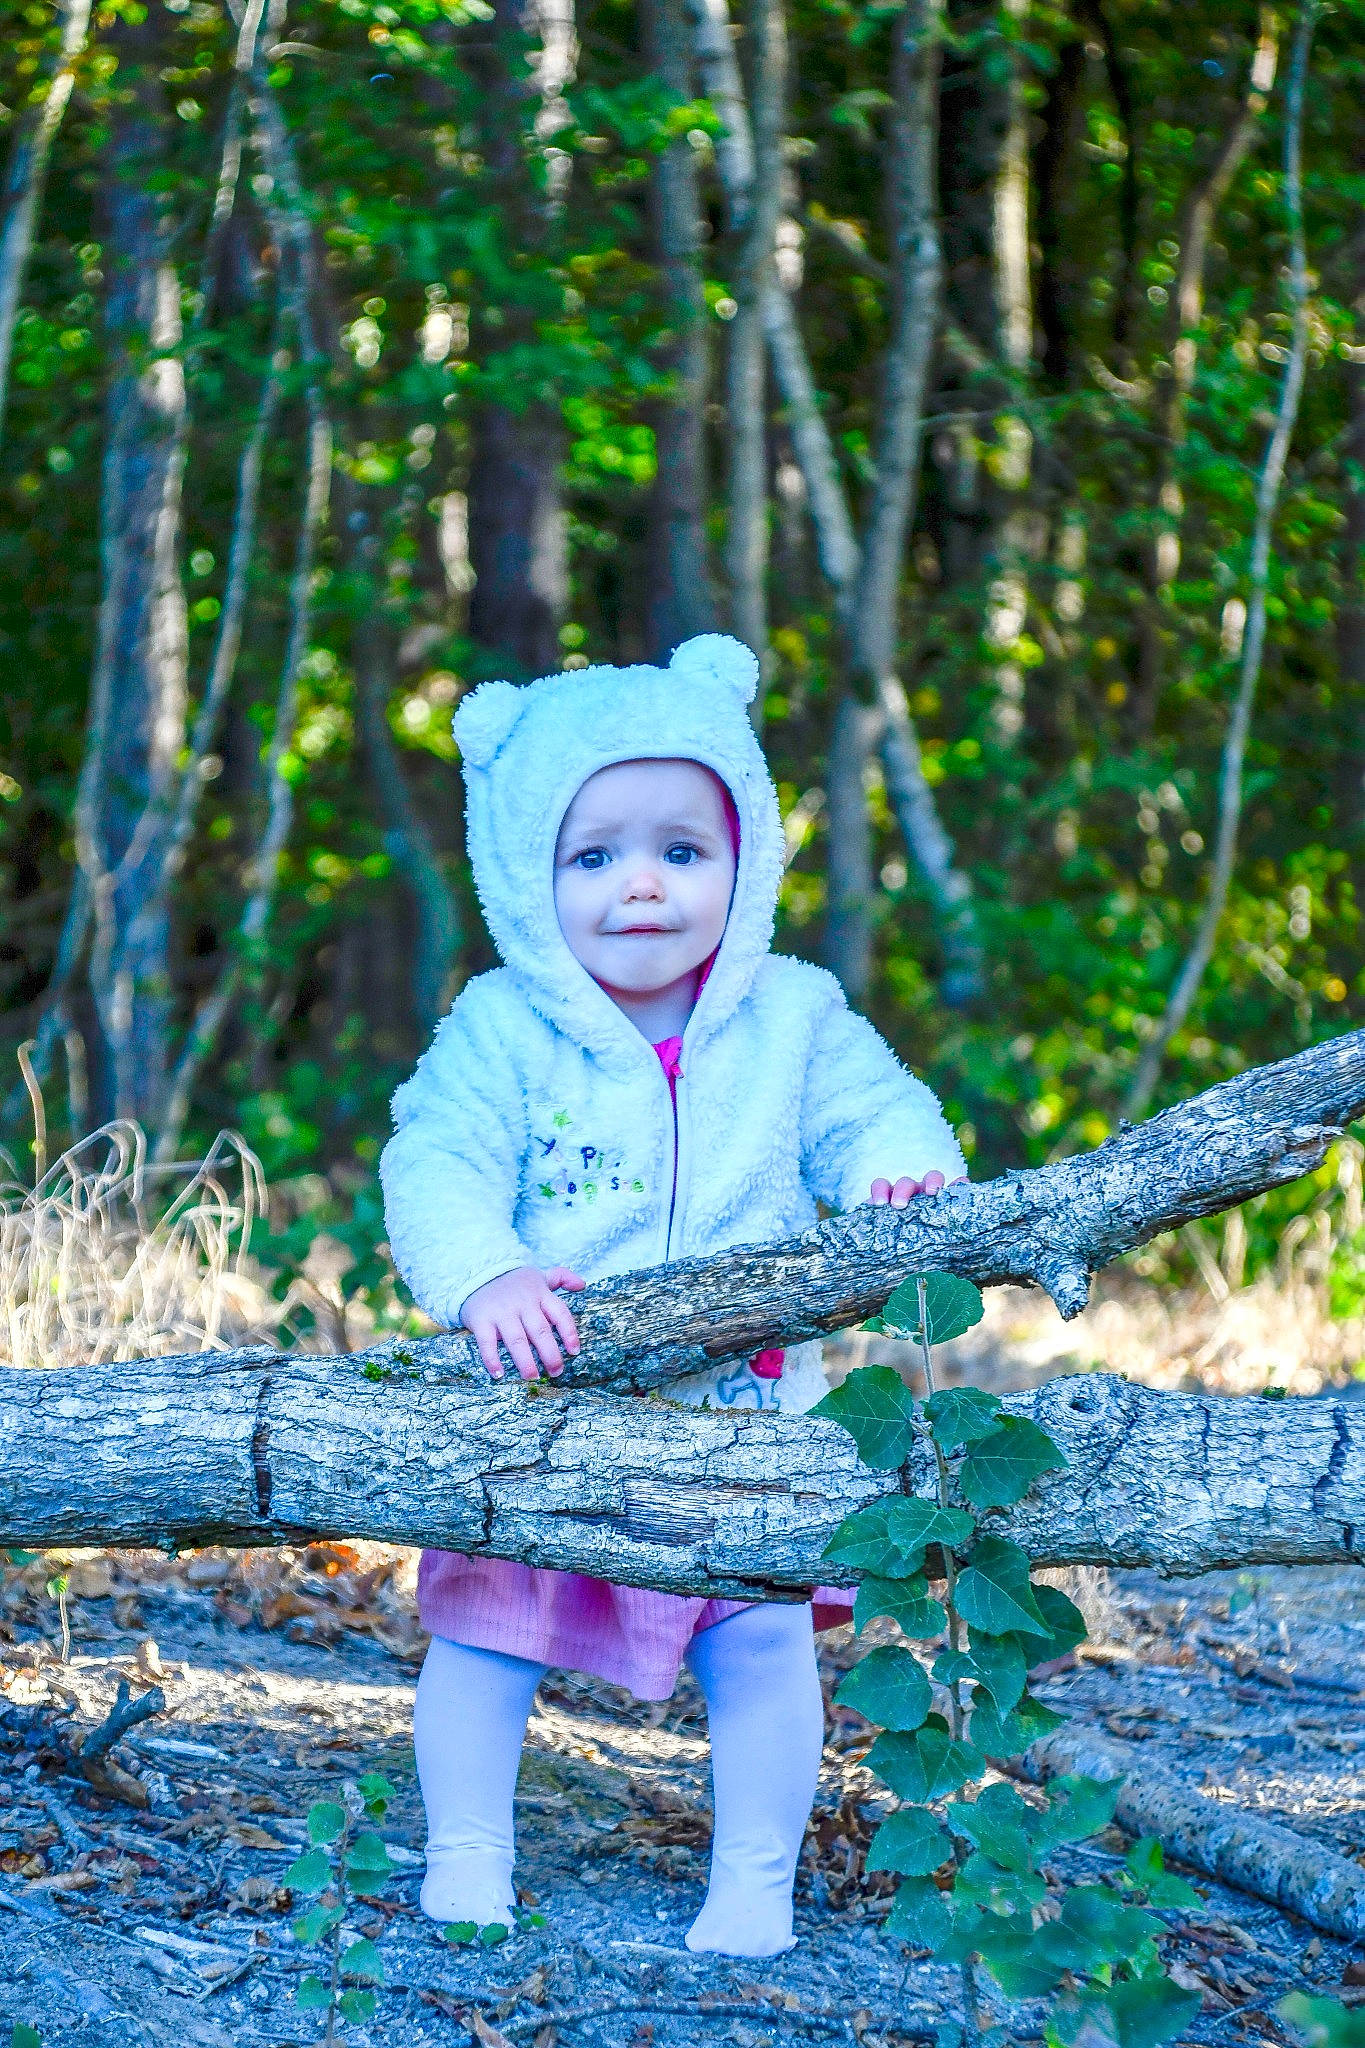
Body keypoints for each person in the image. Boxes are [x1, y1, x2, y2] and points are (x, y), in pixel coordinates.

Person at [380, 633, 966, 1958]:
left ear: (746, 860)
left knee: (759, 1652)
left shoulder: (794, 1018)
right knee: (483, 1637)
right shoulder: (500, 1028)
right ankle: (467, 1859)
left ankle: (750, 1884)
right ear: (525, 878)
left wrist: (901, 1174)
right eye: (591, 858)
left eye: (680, 853)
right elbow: (434, 1158)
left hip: (739, 1425)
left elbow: (874, 1111)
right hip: (543, 1416)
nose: (638, 887)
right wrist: (487, 1272)